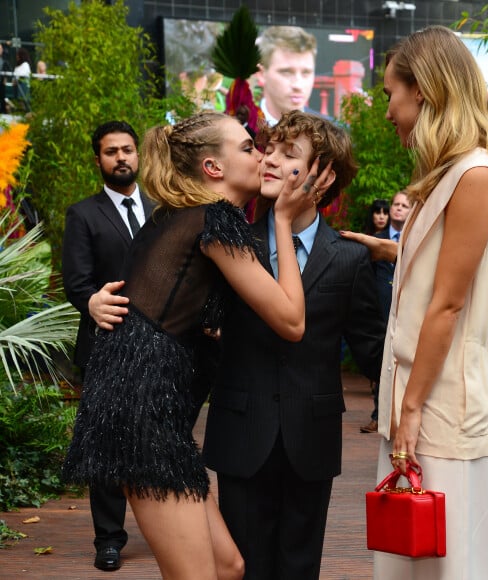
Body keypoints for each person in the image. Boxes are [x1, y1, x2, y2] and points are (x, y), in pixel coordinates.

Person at [62, 111, 330, 579]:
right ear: (213, 169)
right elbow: (291, 320)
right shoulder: (214, 217)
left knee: (229, 567)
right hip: (141, 413)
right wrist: (283, 220)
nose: (262, 155)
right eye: (248, 148)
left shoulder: (181, 216)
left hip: (150, 408)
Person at [343, 25, 488, 579]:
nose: (388, 110)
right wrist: (389, 252)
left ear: (421, 89)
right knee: (406, 559)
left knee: (448, 565)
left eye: (391, 94)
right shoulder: (445, 172)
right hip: (415, 401)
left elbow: (447, 304)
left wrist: (411, 409)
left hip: (442, 404)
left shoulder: (476, 173)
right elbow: (437, 276)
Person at [202, 110, 386, 579]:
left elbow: (374, 349)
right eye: (270, 149)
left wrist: (416, 410)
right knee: (246, 566)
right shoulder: (231, 242)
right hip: (242, 426)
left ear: (322, 177)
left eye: (289, 154)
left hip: (312, 434)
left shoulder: (348, 258)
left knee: (301, 567)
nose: (268, 160)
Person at [62, 120, 153, 572]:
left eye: (127, 150)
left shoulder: (163, 209)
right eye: (111, 151)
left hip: (159, 348)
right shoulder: (83, 215)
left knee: (158, 439)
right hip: (105, 344)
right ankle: (109, 539)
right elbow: (77, 283)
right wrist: (92, 301)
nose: (121, 158)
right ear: (98, 159)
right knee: (106, 445)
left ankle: (164, 527)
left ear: (139, 155)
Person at [360, 191, 410, 434]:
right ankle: (378, 415)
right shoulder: (376, 240)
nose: (399, 209)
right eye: (396, 205)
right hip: (379, 309)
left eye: (405, 205)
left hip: (406, 310)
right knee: (382, 362)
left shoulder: (414, 240)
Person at [255, 26, 318, 125]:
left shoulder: (334, 134)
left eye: (306, 73)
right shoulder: (234, 131)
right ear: (261, 74)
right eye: (286, 72)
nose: (298, 85)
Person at [0, 43, 12, 114]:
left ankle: (3, 110)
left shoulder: (4, 60)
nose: (0, 50)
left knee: (2, 97)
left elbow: (7, 70)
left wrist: (5, 79)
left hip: (1, 82)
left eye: (1, 49)